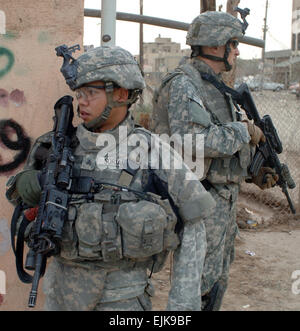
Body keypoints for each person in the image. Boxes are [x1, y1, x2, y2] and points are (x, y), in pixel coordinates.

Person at [6, 45, 216, 311]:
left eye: (91, 92)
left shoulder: (152, 151)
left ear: (121, 93)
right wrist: (28, 186)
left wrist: (182, 308)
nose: (81, 101)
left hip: (122, 300)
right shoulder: (56, 147)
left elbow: (194, 226)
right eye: (79, 92)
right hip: (61, 295)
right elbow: (18, 199)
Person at [152, 11, 278, 311]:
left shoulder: (215, 86)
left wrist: (254, 168)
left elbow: (221, 139)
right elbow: (194, 140)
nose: (236, 50)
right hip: (198, 201)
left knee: (217, 278)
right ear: (215, 46)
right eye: (232, 43)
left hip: (220, 200)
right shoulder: (185, 84)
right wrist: (243, 131)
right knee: (192, 288)